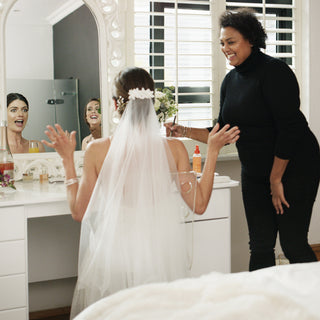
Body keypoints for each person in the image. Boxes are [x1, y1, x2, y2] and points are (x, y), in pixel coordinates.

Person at [42, 67, 239, 318]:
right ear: (152, 103)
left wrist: (67, 160)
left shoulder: (98, 150)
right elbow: (199, 205)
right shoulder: (175, 149)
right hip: (158, 255)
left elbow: (79, 212)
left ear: (115, 104)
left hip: (114, 256)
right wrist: (212, 151)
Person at [166, 8, 320, 272]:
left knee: (293, 243)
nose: (225, 48)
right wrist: (185, 130)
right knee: (260, 245)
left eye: (231, 42)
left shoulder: (275, 72)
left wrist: (275, 179)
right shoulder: (230, 80)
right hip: (255, 171)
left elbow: (290, 129)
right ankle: (260, 305)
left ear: (250, 39)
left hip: (294, 167)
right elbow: (222, 132)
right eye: (222, 43)